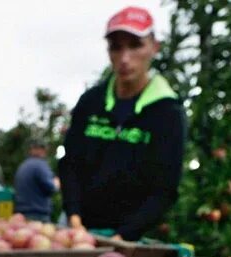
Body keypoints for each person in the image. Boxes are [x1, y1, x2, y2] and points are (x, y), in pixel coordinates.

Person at [59, 7, 185, 240]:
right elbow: (70, 164)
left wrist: (123, 236)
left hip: (130, 238)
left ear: (154, 47)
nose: (125, 58)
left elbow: (165, 189)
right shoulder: (91, 102)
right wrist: (74, 218)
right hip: (78, 231)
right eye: (116, 47)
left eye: (135, 45)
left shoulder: (167, 112)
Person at [13, 139, 60, 222]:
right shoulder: (40, 165)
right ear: (42, 150)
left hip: (21, 215)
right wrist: (57, 183)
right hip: (38, 216)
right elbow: (51, 188)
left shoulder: (23, 165)